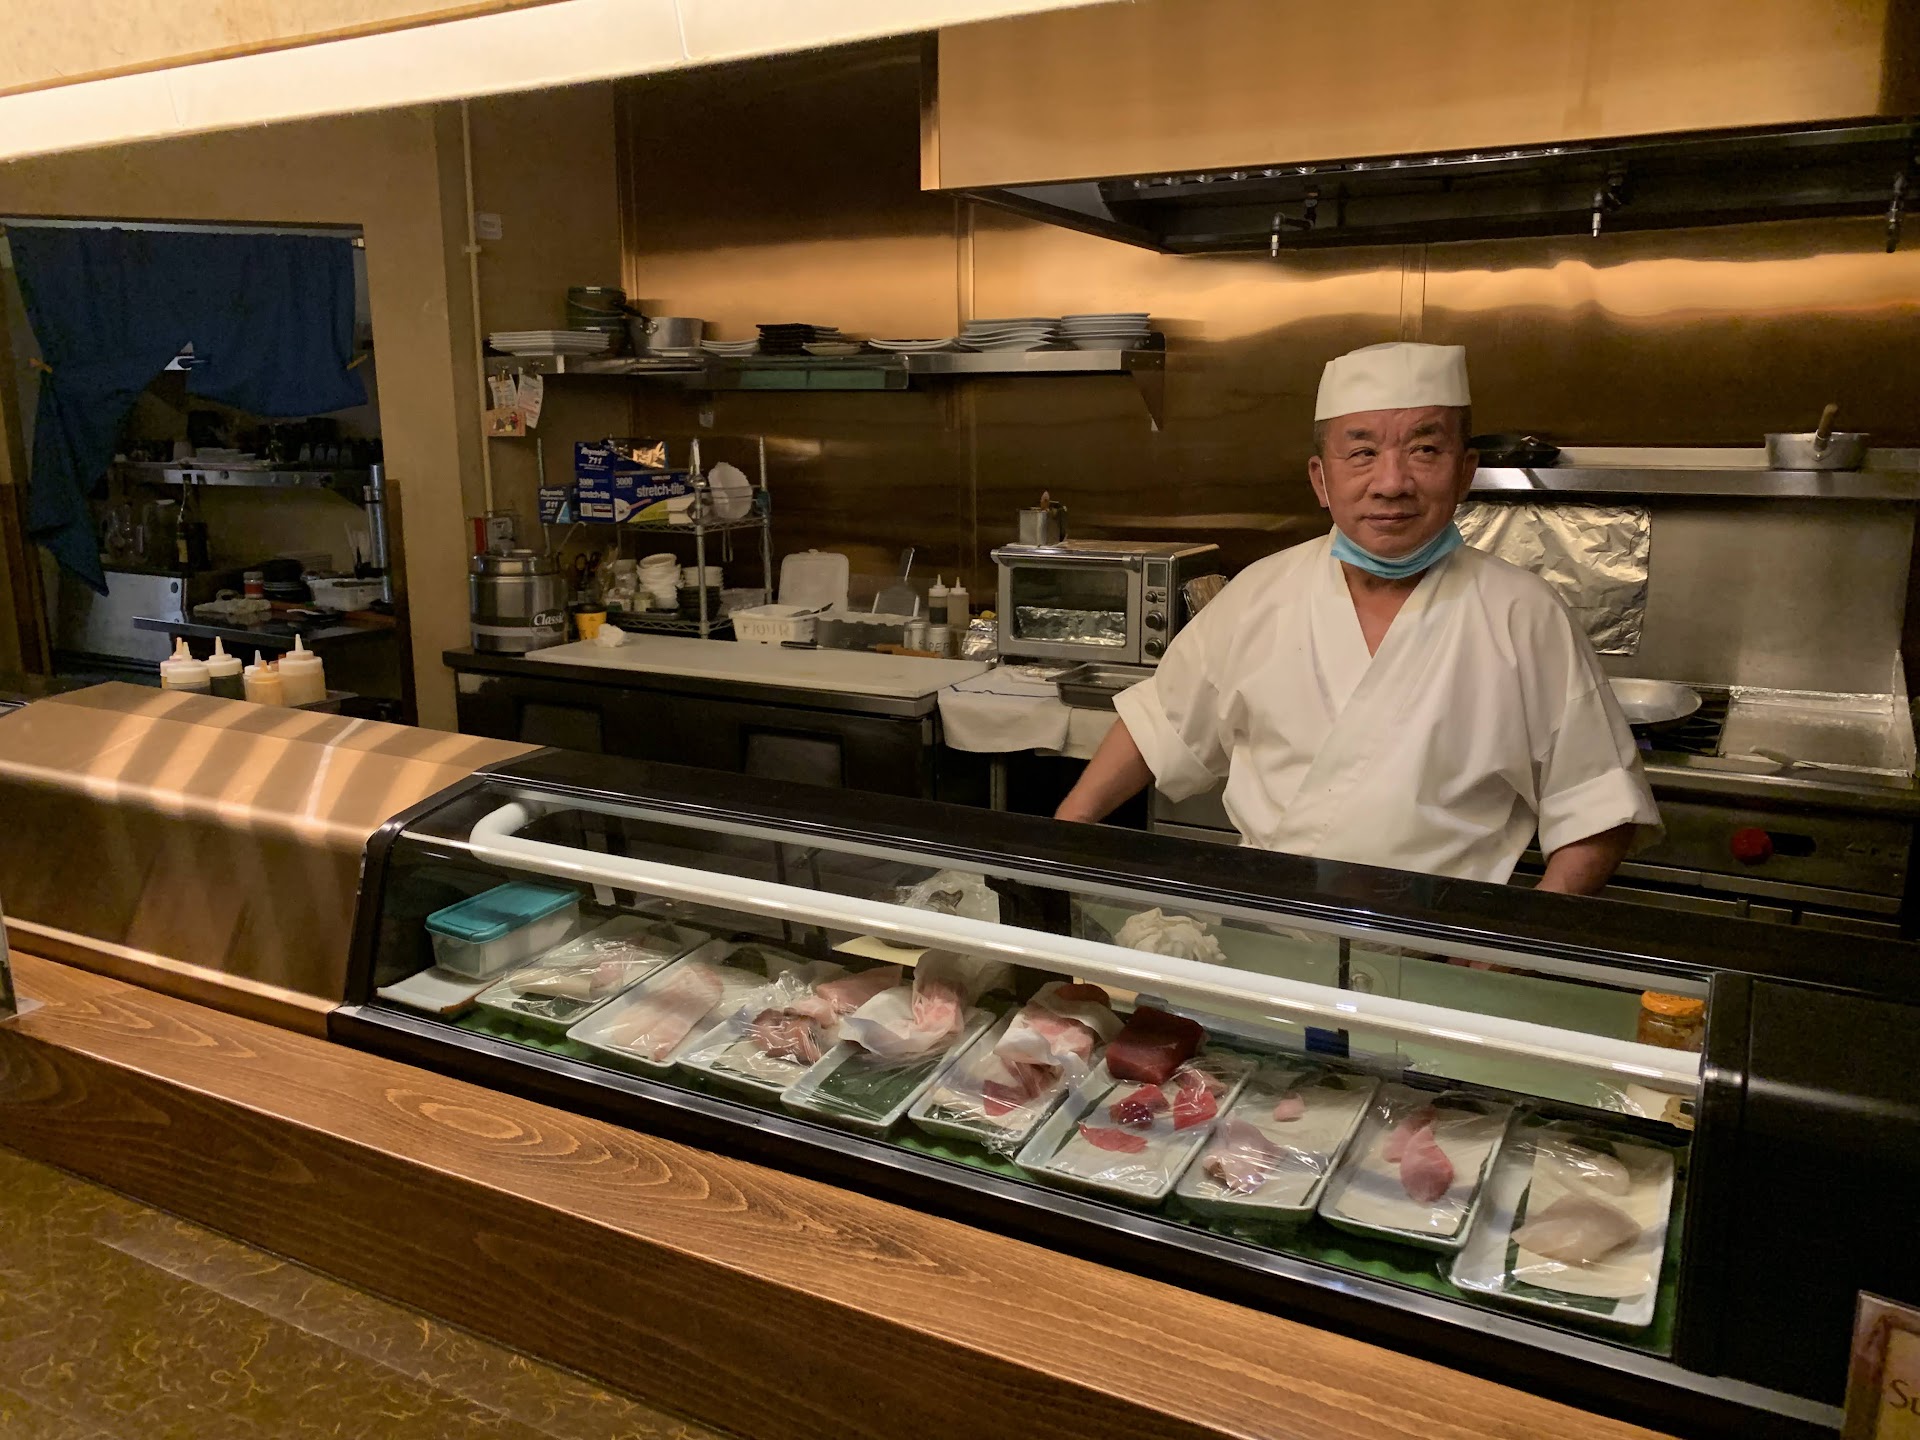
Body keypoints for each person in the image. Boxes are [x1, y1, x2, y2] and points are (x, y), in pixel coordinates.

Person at [1054, 341, 1658, 895]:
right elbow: (1159, 724)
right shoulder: (1261, 593)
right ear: (1321, 479)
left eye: (1424, 450)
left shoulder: (1524, 615)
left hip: (1438, 946)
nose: (1391, 483)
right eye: (1362, 453)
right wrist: (1062, 840)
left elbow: (1599, 807)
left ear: (1465, 471)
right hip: (1266, 930)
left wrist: (1510, 949)